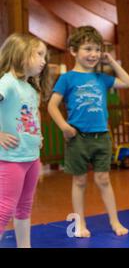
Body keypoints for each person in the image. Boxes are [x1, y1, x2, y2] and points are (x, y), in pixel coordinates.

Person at [47, 26, 129, 238]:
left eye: (96, 49)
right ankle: (80, 223)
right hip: (78, 138)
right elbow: (52, 105)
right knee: (80, 180)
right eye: (87, 49)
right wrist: (64, 127)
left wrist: (111, 61)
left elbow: (128, 82)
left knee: (103, 179)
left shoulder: (101, 78)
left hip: (101, 136)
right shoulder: (67, 79)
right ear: (74, 51)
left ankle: (115, 221)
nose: (93, 54)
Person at [0, 33, 51, 247]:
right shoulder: (7, 83)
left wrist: (37, 135)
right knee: (4, 208)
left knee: (24, 206)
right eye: (39, 54)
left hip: (31, 158)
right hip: (11, 159)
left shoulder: (30, 87)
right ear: (21, 53)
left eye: (45, 56)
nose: (44, 61)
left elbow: (31, 114)